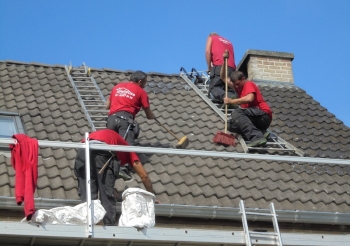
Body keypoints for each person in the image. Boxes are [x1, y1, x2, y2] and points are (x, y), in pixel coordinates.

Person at [74, 129, 160, 226]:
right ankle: (109, 229)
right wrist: (151, 196)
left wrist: (115, 193)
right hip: (103, 150)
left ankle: (87, 225)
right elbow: (144, 176)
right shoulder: (128, 149)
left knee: (88, 195)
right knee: (106, 197)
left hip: (83, 150)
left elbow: (103, 181)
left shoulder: (115, 142)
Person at [106, 70, 156, 180]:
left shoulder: (117, 87)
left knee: (112, 145)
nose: (144, 85)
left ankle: (110, 168)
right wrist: (152, 115)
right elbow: (148, 114)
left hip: (111, 119)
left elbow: (107, 106)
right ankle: (123, 169)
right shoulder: (141, 92)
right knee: (127, 146)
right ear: (140, 81)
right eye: (144, 83)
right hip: (125, 120)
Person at [221, 50, 272, 147]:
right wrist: (224, 60)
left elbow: (250, 98)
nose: (237, 87)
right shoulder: (238, 87)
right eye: (235, 85)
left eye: (238, 84)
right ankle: (260, 132)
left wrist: (232, 101)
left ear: (243, 79)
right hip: (254, 119)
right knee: (230, 124)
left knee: (236, 113)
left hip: (263, 115)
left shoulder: (248, 84)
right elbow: (223, 77)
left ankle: (257, 138)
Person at [205, 33, 236, 103]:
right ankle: (232, 99)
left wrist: (209, 67)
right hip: (232, 68)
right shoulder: (229, 42)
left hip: (219, 66)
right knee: (229, 88)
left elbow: (207, 52)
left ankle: (225, 97)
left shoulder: (211, 37)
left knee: (215, 87)